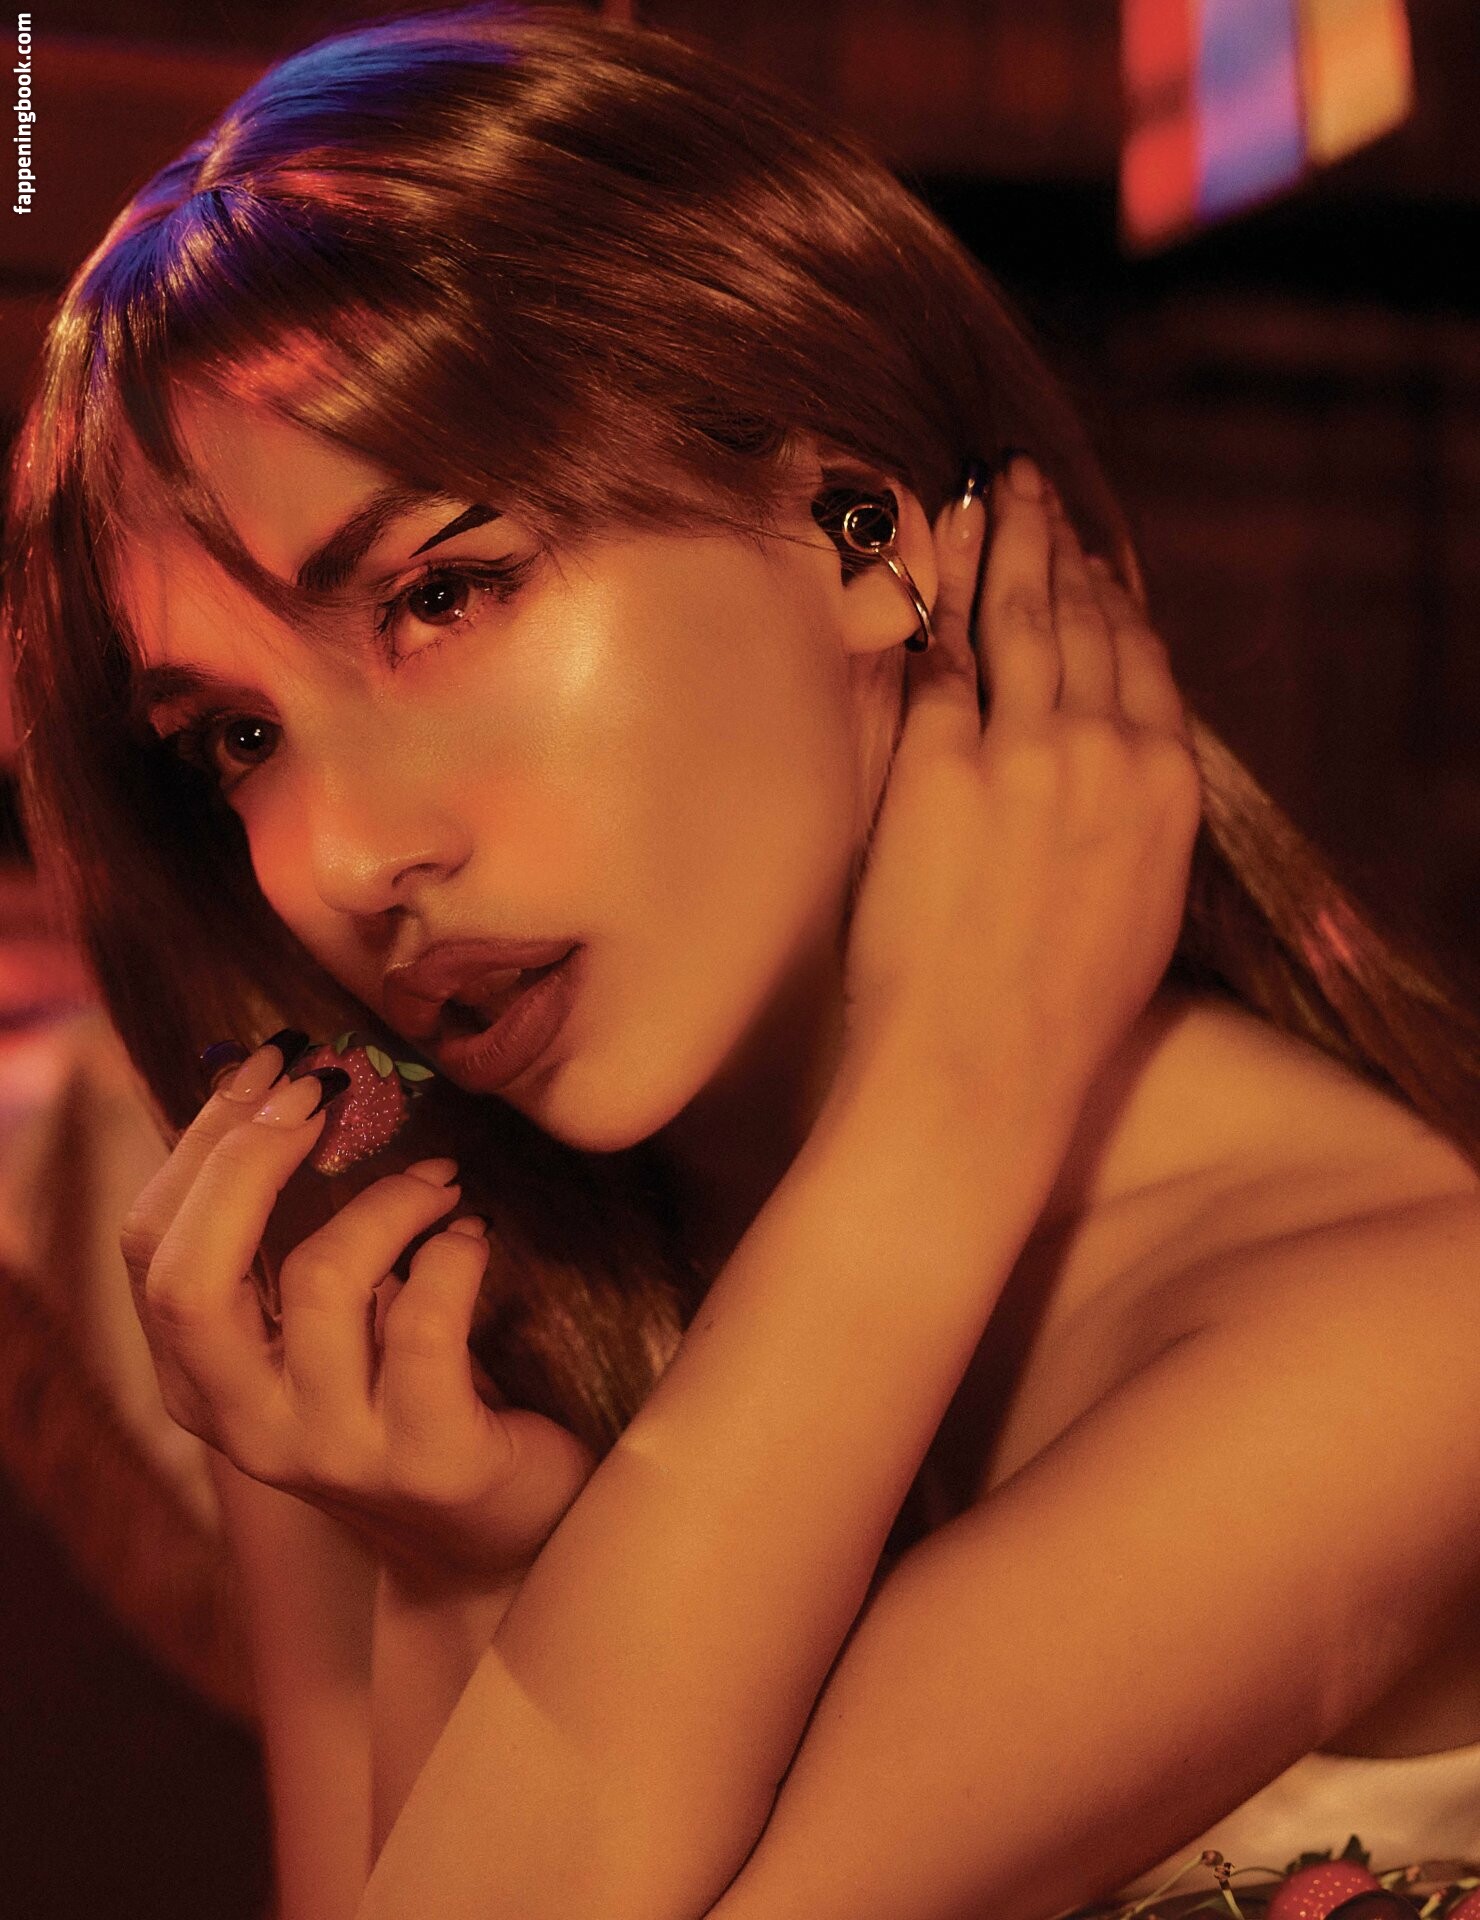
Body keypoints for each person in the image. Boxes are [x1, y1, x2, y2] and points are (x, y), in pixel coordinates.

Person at [5, 7, 1480, 1918]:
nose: (341, 861)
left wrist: (949, 1100)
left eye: (442, 593)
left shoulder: (1397, 1330)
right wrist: (454, 1576)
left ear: (861, 536)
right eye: (237, 738)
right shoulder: (409, 1335)